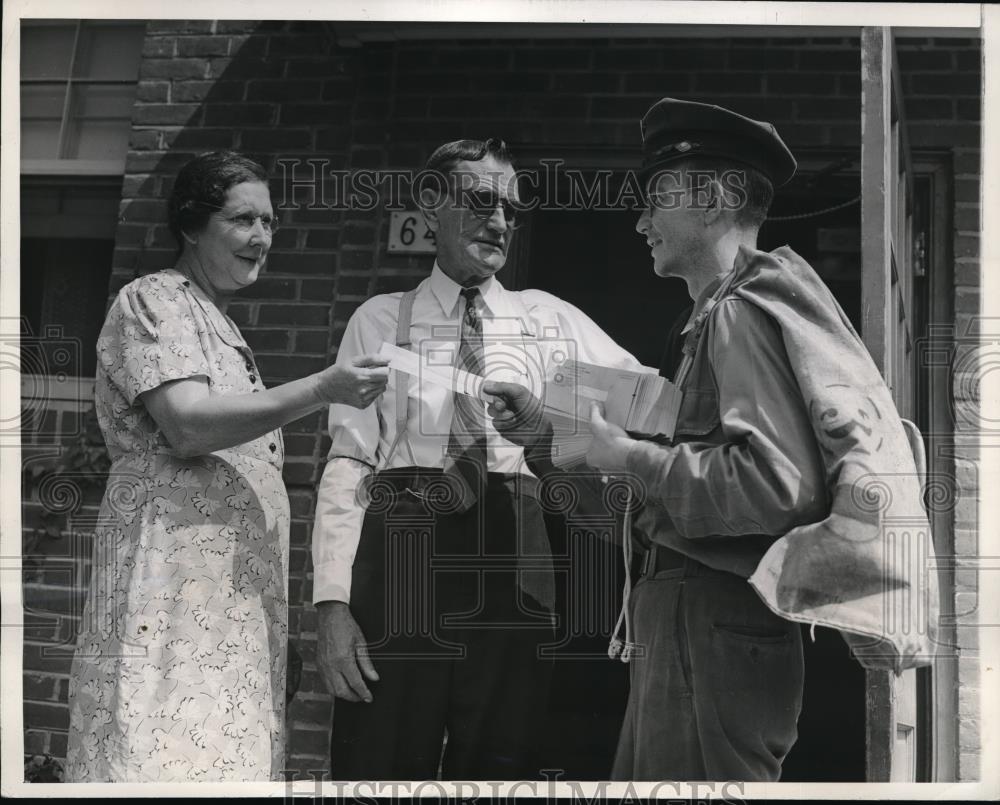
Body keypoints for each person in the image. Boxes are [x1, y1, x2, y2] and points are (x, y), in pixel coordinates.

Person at [487, 97, 936, 782]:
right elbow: (652, 513)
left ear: (716, 198)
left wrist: (628, 453)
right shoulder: (708, 324)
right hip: (687, 632)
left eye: (655, 200)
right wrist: (540, 439)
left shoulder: (739, 314)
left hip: (711, 637)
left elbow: (773, 486)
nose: (640, 222)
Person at [311, 138, 639, 780]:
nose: (500, 223)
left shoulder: (549, 319)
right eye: (483, 202)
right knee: (381, 761)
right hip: (403, 560)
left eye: (512, 211)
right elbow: (348, 465)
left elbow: (646, 403)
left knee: (499, 767)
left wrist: (560, 428)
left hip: (517, 563)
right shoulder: (381, 319)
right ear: (431, 205)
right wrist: (332, 606)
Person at [64, 151, 389, 783]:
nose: (262, 237)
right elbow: (186, 423)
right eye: (243, 220)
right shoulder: (153, 298)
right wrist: (322, 388)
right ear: (191, 226)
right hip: (167, 592)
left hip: (226, 611)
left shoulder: (217, 324)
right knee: (154, 756)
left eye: (269, 222)